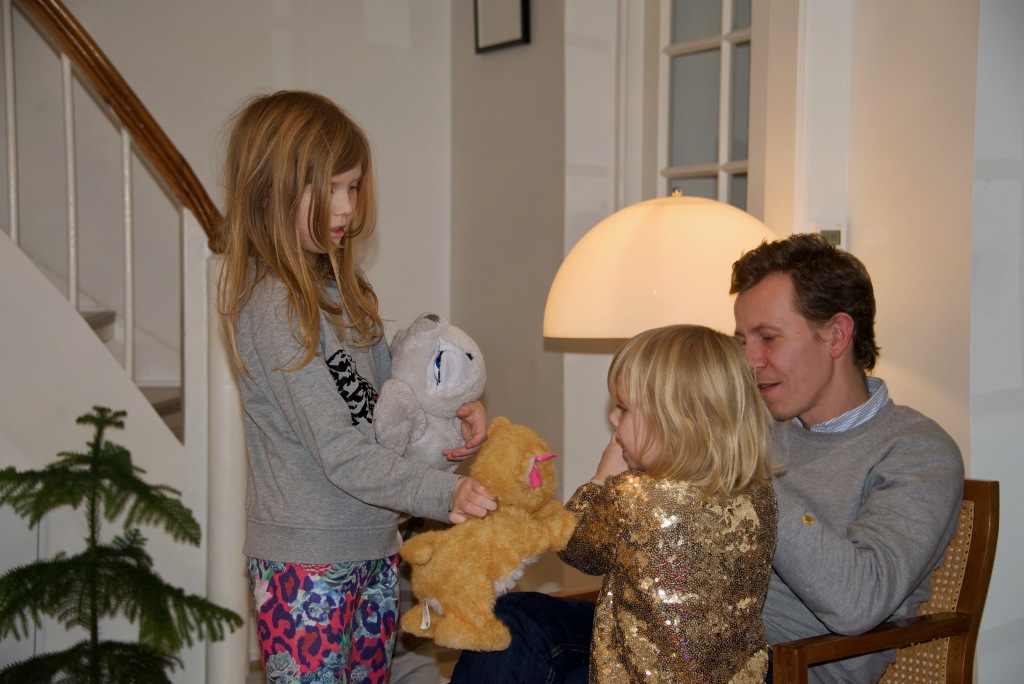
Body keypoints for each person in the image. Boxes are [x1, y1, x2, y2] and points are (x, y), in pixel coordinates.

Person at [217, 90, 496, 684]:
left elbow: (385, 400)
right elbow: (340, 451)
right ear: (273, 189)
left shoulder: (345, 284)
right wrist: (441, 493)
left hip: (373, 542)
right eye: (332, 189)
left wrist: (445, 411)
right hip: (307, 559)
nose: (346, 208)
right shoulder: (273, 308)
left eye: (354, 187)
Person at [452, 324, 778, 683]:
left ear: (677, 423)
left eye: (623, 409)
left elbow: (575, 546)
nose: (612, 418)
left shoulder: (634, 495)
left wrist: (602, 478)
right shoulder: (759, 495)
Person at [730, 233, 965, 683]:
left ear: (836, 335)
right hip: (693, 643)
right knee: (573, 625)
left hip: (787, 668)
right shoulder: (754, 427)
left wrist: (745, 476)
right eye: (742, 341)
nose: (750, 361)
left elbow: (857, 603)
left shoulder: (917, 451)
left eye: (768, 338)